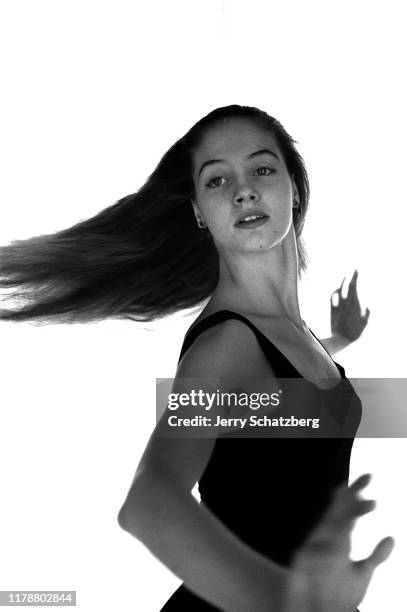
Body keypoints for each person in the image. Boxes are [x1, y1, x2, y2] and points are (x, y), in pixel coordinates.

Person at [0, 105, 394, 611]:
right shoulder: (227, 345)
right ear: (198, 213)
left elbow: (277, 406)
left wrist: (337, 343)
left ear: (294, 187)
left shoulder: (288, 337)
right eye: (217, 181)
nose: (243, 190)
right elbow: (148, 504)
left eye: (262, 169)